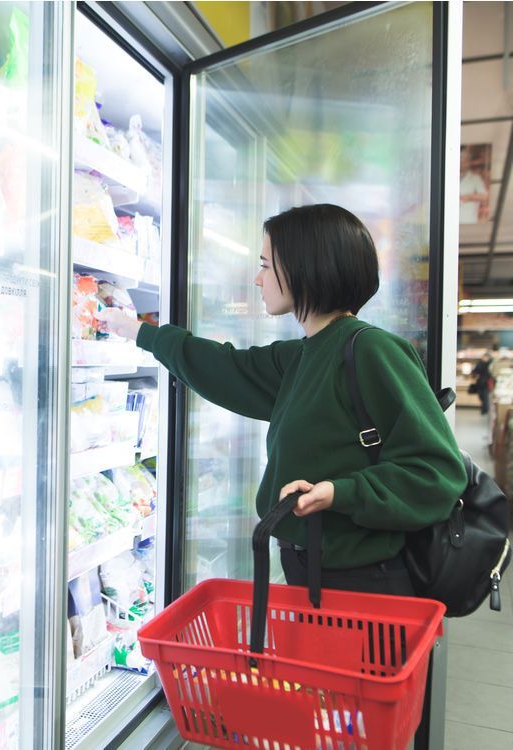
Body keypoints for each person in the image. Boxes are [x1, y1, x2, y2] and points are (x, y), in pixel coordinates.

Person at [98, 203, 466, 595]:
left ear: (305, 269)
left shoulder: (372, 351)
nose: (258, 279)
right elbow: (225, 367)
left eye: (266, 265)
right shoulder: (304, 354)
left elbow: (437, 472)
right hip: (310, 571)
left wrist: (340, 492)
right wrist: (139, 332)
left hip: (363, 582)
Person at [471, 351, 493, 415]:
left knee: (485, 396)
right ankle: (484, 408)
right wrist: (475, 377)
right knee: (481, 396)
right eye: (485, 357)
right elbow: (474, 372)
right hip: (480, 383)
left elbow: (491, 374)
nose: (485, 358)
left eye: (487, 357)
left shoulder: (489, 364)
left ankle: (485, 410)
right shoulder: (479, 364)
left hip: (486, 383)